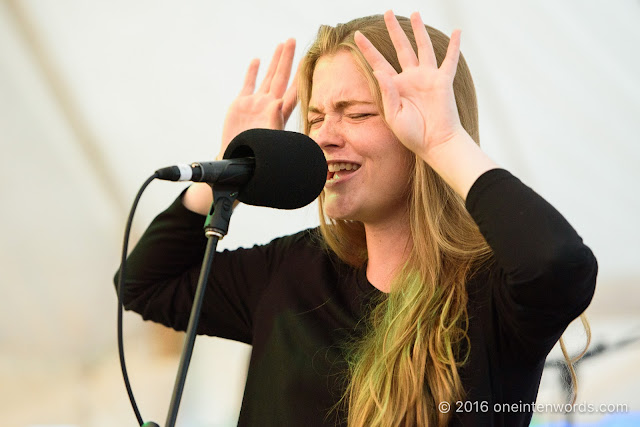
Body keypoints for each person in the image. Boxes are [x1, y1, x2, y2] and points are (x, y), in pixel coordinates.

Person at [117, 11, 597, 426]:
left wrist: (446, 144)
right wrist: (224, 172)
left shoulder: (491, 293)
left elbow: (559, 265)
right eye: (317, 117)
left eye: (356, 113)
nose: (324, 136)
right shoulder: (293, 270)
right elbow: (145, 284)